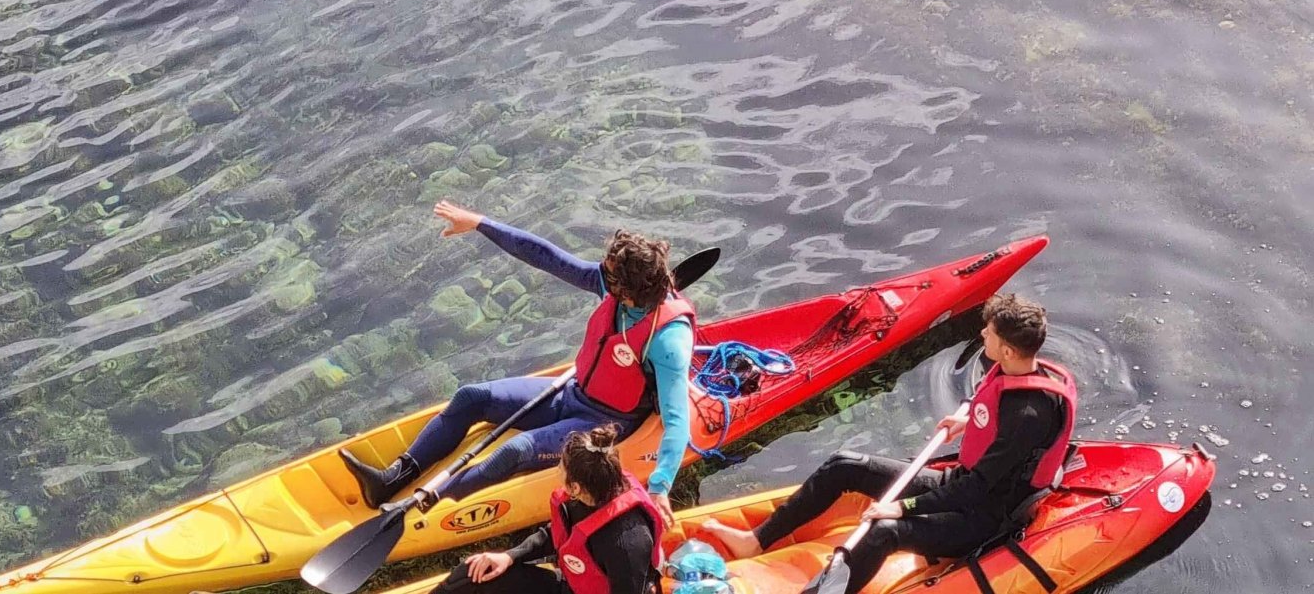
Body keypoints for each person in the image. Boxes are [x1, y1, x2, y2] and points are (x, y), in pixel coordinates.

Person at [338, 200, 695, 521]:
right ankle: (393, 479)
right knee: (471, 396)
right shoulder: (615, 284)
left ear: (628, 290)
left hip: (608, 421)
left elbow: (677, 420)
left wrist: (660, 486)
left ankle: (423, 504)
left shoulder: (668, 341)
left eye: (610, 273)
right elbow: (548, 257)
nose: (600, 273)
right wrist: (479, 222)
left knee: (515, 450)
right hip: (572, 393)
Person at [702, 293, 1076, 592]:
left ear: (1008, 350)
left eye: (989, 333)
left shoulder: (1027, 416)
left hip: (986, 515)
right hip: (966, 484)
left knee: (885, 532)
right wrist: (968, 417)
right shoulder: (1012, 369)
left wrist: (904, 507)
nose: (982, 335)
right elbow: (991, 413)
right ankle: (756, 539)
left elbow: (975, 490)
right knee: (844, 464)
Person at [431, 425, 664, 594]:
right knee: (471, 573)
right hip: (571, 585)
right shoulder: (588, 494)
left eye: (561, 466)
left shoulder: (627, 541)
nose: (557, 470)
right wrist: (508, 556)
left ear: (575, 487)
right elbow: (556, 533)